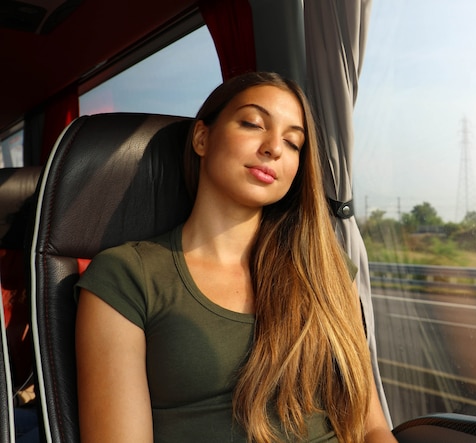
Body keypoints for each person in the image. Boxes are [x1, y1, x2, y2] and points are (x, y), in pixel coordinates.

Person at [75, 71, 396, 443]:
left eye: (293, 143)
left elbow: (370, 425)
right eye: (252, 124)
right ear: (202, 137)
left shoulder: (325, 269)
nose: (274, 148)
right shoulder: (127, 276)